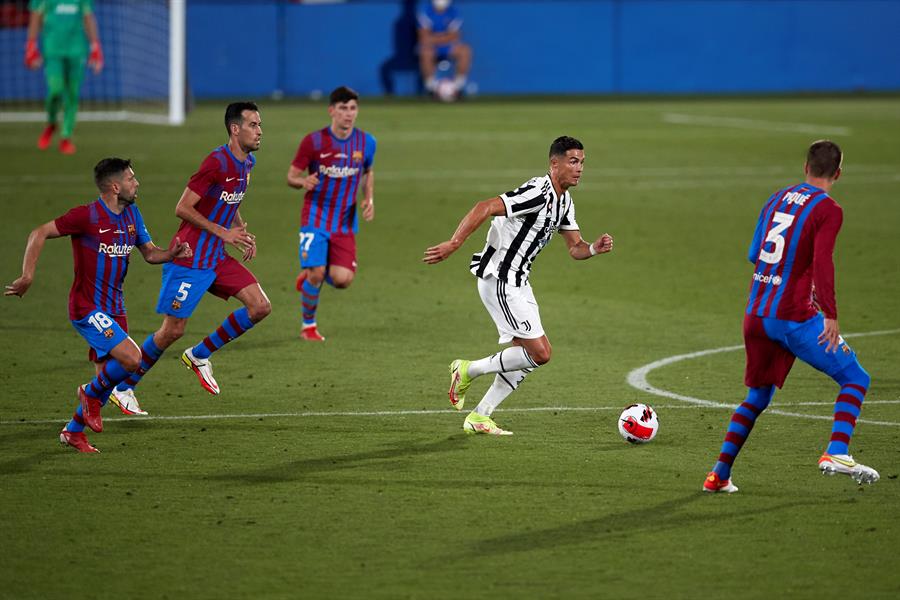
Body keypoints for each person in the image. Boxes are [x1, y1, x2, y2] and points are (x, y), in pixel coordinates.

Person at [703, 140, 878, 493]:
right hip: (794, 317)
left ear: (805, 167)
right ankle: (837, 451)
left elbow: (755, 253)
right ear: (838, 173)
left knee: (757, 397)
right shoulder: (829, 209)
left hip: (756, 314)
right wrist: (829, 313)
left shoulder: (776, 198)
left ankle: (718, 476)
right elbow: (824, 262)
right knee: (855, 378)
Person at [423, 136, 614, 435]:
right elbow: (484, 206)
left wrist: (593, 249)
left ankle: (480, 416)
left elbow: (575, 246)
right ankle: (466, 370)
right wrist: (454, 243)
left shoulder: (564, 201)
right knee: (541, 353)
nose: (579, 169)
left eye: (582, 163)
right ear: (555, 164)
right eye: (573, 161)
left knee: (522, 357)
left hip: (519, 282)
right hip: (499, 279)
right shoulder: (538, 192)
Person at [5, 158, 191, 452]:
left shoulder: (132, 213)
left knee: (105, 383)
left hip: (115, 308)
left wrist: (173, 253)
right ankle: (87, 395)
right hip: (87, 307)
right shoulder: (87, 216)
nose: (137, 183)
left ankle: (73, 431)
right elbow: (38, 232)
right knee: (132, 359)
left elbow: (150, 253)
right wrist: (28, 275)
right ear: (115, 186)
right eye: (131, 179)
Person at [108, 102, 270, 407]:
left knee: (260, 307)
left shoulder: (247, 164)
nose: (260, 131)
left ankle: (200, 354)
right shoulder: (216, 162)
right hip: (190, 255)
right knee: (172, 330)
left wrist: (240, 230)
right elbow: (182, 207)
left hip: (216, 257)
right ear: (235, 129)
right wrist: (224, 233)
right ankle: (123, 388)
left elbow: (229, 201)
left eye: (260, 125)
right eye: (253, 125)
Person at [287, 86, 376, 342]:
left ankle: (311, 273)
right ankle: (308, 326)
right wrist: (302, 182)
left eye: (352, 108)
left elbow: (368, 172)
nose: (348, 114)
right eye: (343, 108)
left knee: (342, 279)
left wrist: (368, 198)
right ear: (331, 111)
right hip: (315, 215)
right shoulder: (313, 142)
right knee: (317, 273)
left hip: (345, 221)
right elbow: (291, 175)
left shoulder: (366, 142)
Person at [24, 0, 104, 154]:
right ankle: (52, 122)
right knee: (55, 90)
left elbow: (88, 17)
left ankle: (65, 136)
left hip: (76, 51)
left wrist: (95, 46)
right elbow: (35, 17)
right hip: (53, 50)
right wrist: (31, 45)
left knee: (72, 95)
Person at [417, 0, 471, 99]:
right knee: (425, 52)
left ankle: (458, 88)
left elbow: (455, 36)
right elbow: (423, 36)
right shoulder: (425, 12)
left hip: (448, 46)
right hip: (431, 47)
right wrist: (445, 37)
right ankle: (431, 89)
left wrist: (434, 38)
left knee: (465, 51)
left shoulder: (454, 12)